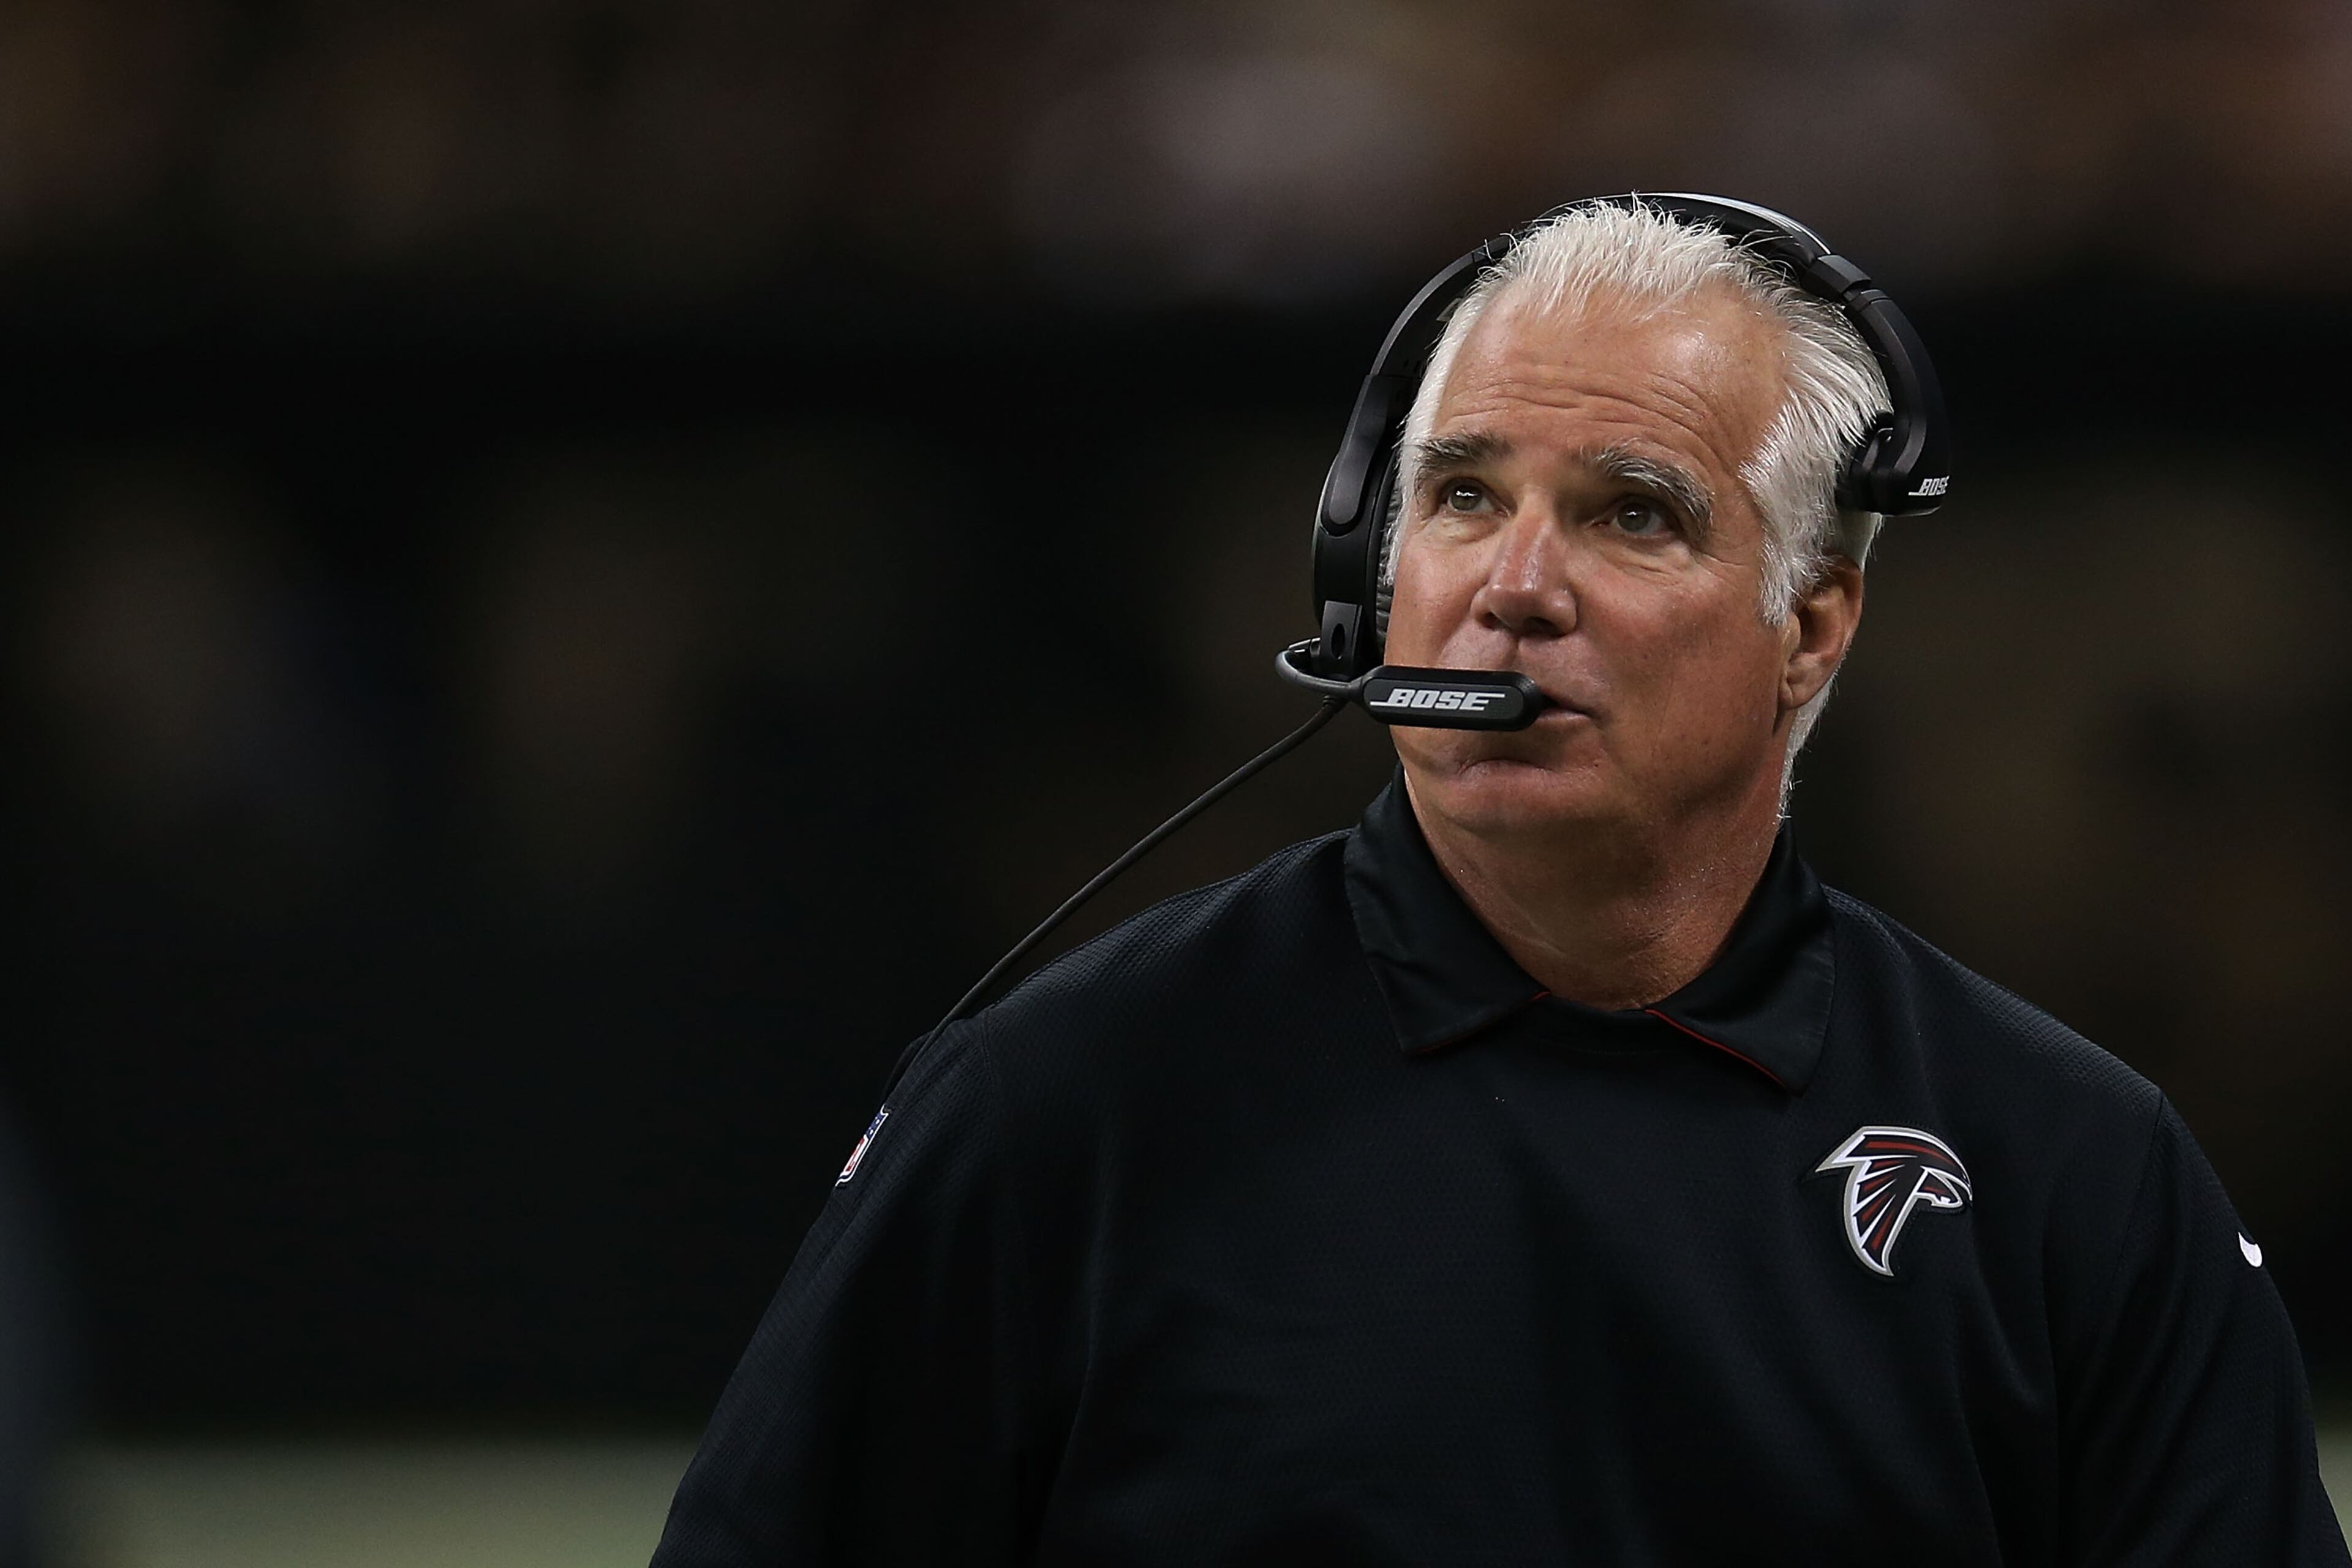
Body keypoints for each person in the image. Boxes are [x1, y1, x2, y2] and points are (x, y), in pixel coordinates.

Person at [650, 201, 2348, 1564]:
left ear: (1812, 628)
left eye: (1630, 515)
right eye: (1461, 496)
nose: (1515, 587)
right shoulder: (1064, 1109)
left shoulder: (2072, 1174)